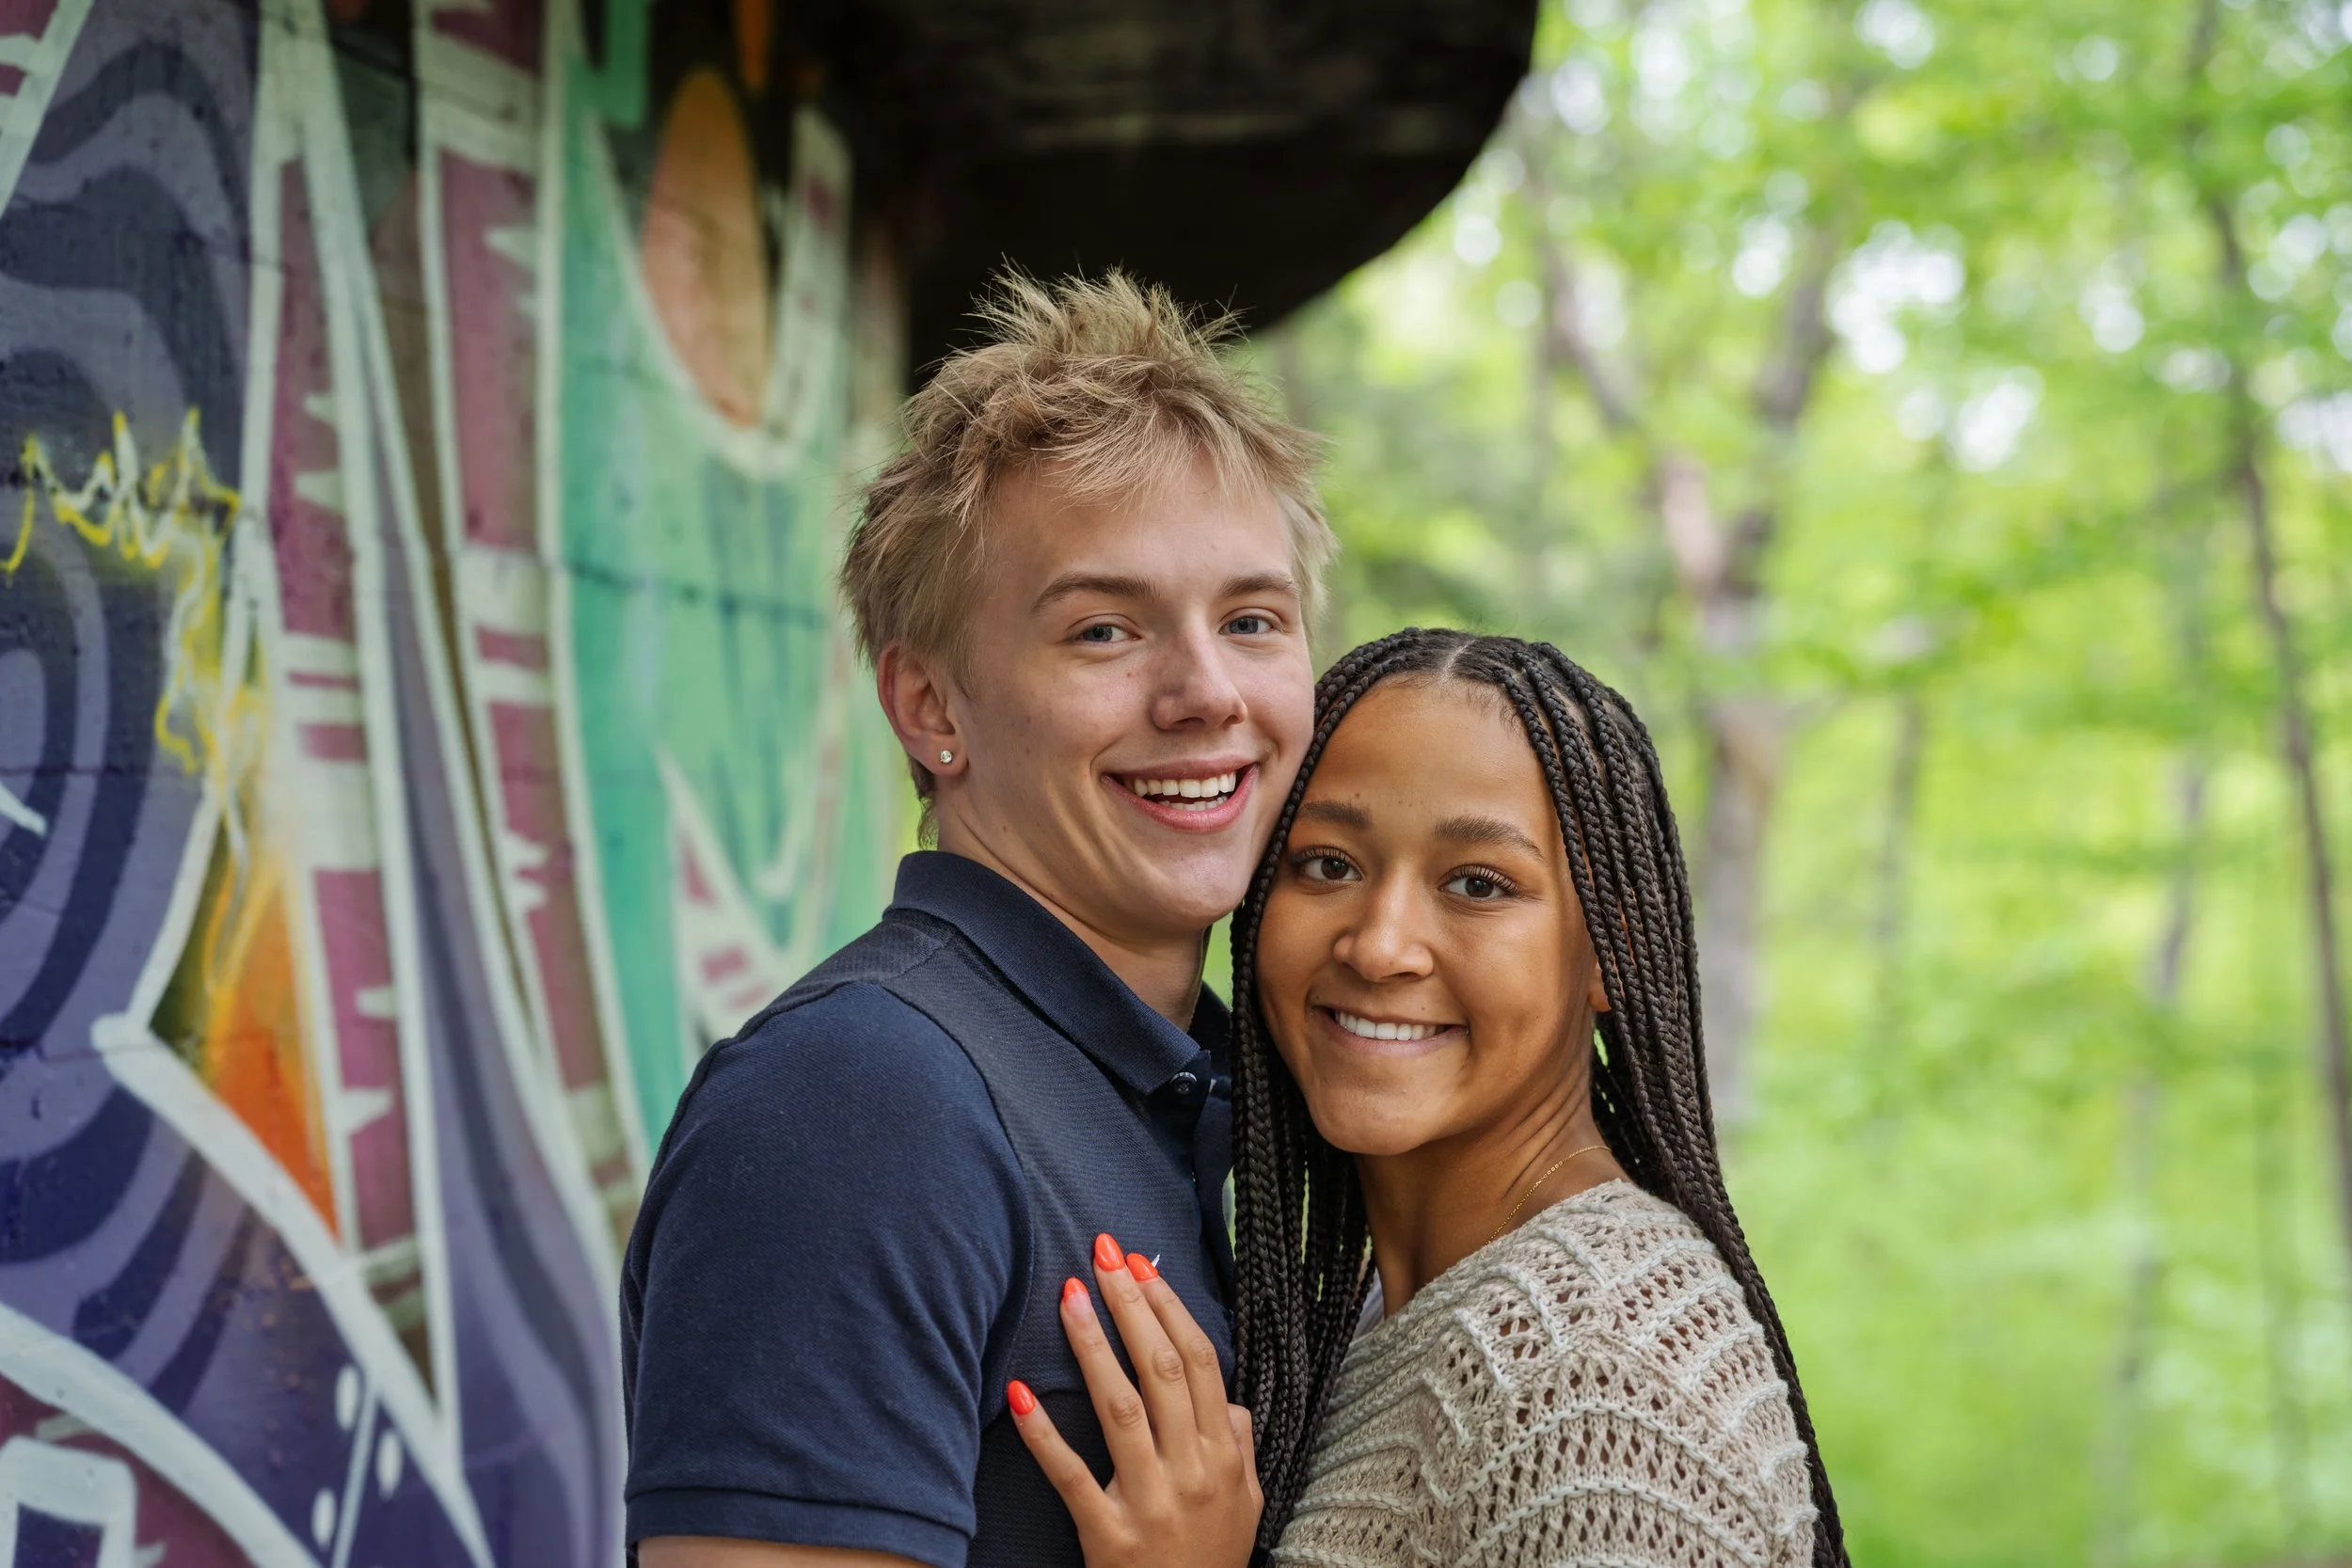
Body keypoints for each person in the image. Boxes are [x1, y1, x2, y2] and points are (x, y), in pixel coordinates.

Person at [620, 272, 1332, 1568]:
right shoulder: (863, 1100)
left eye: (1252, 618)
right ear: (931, 707)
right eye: (1105, 628)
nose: (1206, 690)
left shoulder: (1185, 1089)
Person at [1008, 629, 1848, 1568]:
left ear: (1612, 950)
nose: (1379, 944)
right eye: (1328, 863)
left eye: (1477, 883)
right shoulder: (1394, 1306)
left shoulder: (1601, 1387)